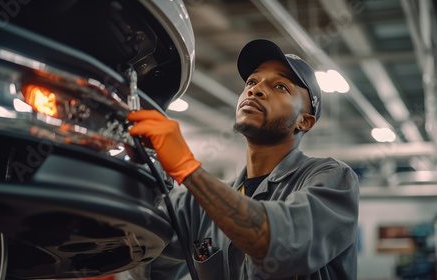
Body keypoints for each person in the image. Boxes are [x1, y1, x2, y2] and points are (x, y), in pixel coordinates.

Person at [126, 39, 359, 280]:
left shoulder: (332, 178)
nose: (255, 90)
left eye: (280, 86)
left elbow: (282, 249)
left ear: (305, 121)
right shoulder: (195, 206)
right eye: (252, 81)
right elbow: (147, 265)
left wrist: (187, 168)